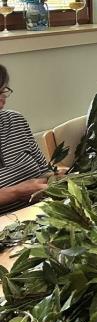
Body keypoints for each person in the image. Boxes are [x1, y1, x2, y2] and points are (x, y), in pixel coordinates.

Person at [0, 64, 52, 214]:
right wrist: (14, 193)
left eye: (2, 92)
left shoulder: (15, 120)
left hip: (42, 213)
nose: (1, 102)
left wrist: (55, 178)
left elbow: (44, 170)